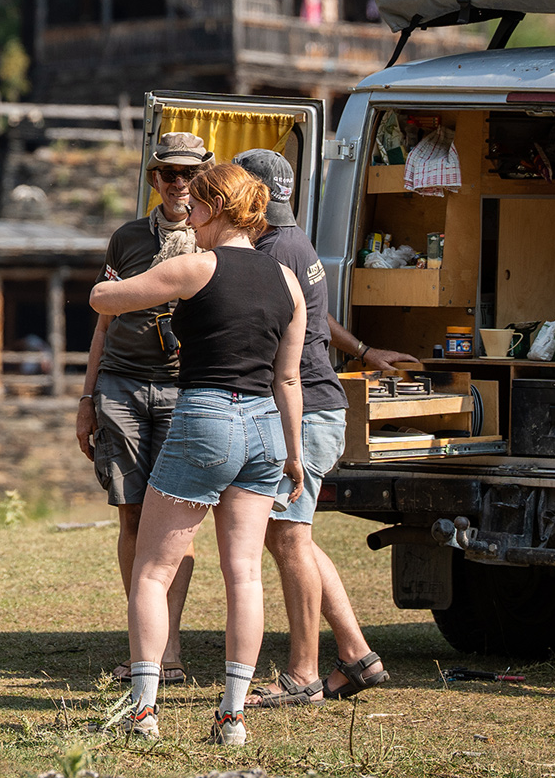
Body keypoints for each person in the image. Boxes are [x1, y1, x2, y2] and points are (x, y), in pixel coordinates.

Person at [91, 163, 305, 748]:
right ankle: (232, 715)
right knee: (245, 575)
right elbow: (289, 380)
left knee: (152, 571)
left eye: (196, 205)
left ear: (211, 208)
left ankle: (143, 710)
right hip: (265, 425)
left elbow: (103, 296)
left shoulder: (194, 265)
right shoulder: (287, 281)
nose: (187, 212)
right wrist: (295, 454)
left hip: (206, 416)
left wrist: (141, 278)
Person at [233, 148, 407, 706]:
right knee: (291, 538)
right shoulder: (291, 241)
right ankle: (357, 655)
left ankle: (303, 674)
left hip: (304, 410)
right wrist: (362, 347)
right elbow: (313, 312)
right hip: (314, 404)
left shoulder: (272, 249)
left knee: (288, 538)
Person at [73, 131, 211, 685]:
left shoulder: (217, 240)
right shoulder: (128, 238)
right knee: (131, 512)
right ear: (154, 179)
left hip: (186, 389)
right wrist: (86, 397)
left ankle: (169, 649)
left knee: (177, 523)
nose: (178, 184)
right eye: (168, 174)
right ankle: (144, 648)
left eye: (189, 174)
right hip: (122, 386)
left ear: (205, 177)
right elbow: (102, 321)